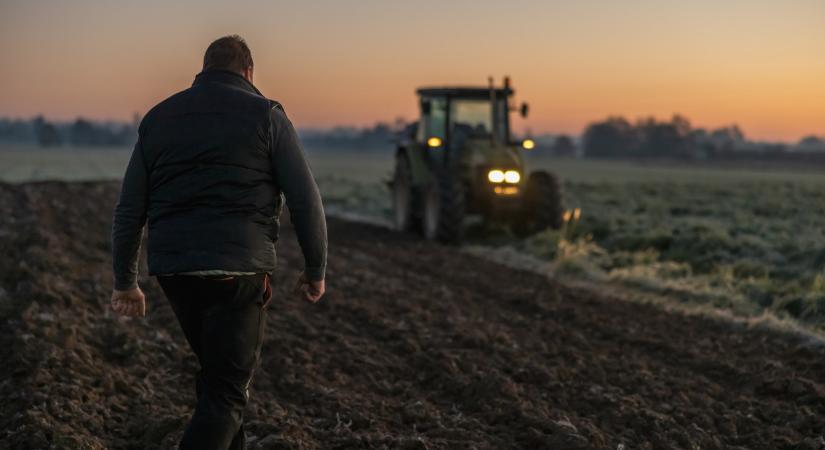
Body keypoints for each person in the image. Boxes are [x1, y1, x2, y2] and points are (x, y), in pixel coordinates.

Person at [109, 35, 327, 450]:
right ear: (248, 72)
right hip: (238, 273)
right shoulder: (266, 115)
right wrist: (315, 270)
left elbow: (129, 208)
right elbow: (305, 199)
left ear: (204, 69)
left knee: (217, 382)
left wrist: (125, 281)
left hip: (175, 272)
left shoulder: (158, 118)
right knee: (226, 395)